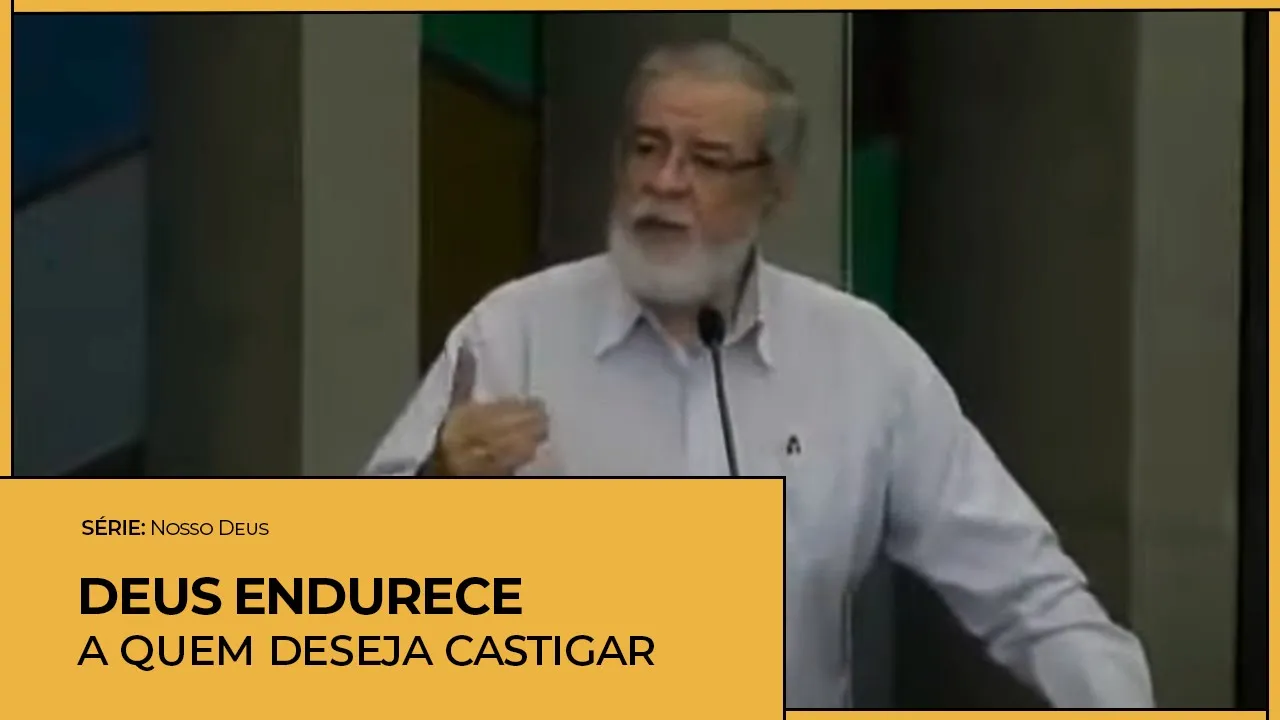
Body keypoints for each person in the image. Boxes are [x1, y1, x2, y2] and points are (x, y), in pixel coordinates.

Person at [364, 39, 1154, 708]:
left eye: (706, 160)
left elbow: (1027, 590)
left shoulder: (860, 357)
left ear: (773, 189)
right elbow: (360, 599)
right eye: (647, 148)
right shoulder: (515, 331)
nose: (664, 182)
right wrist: (439, 484)